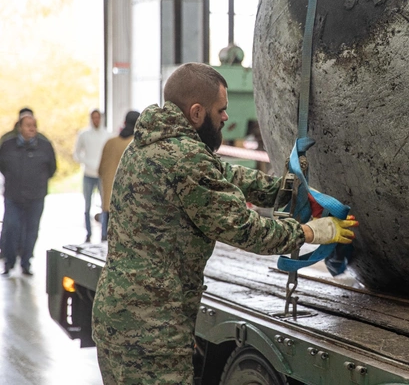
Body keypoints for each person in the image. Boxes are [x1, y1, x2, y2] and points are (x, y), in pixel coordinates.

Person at [91, 62, 358, 384]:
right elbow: (244, 229)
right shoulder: (185, 157)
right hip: (150, 323)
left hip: (125, 312)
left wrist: (285, 189)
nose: (226, 117)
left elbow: (224, 175)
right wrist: (310, 232)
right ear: (196, 112)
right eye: (221, 109)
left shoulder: (150, 145)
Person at [0, 110, 57, 276]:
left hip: (36, 196)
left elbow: (52, 169)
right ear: (20, 127)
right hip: (13, 195)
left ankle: (26, 262)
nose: (32, 129)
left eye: (34, 126)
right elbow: (2, 166)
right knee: (11, 228)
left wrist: (39, 181)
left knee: (31, 230)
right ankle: (9, 262)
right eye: (28, 126)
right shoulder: (8, 145)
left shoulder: (45, 146)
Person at [97, 110, 140, 241]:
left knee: (105, 245)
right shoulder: (136, 144)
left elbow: (100, 170)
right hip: (128, 205)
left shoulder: (110, 142)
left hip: (109, 202)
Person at [73, 109, 110, 242]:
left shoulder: (107, 135)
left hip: (102, 175)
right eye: (94, 118)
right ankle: (88, 233)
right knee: (87, 205)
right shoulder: (84, 135)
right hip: (88, 174)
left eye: (98, 118)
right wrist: (86, 162)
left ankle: (104, 233)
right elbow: (76, 153)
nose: (96, 120)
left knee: (105, 205)